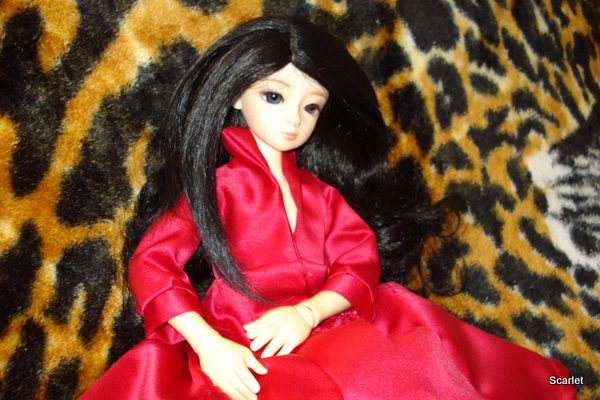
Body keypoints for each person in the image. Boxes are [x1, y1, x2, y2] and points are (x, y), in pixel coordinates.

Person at [79, 16, 574, 400]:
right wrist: (209, 345)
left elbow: (358, 261)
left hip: (330, 323)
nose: (294, 119)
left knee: (431, 350)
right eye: (274, 96)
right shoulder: (216, 189)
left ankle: (561, 382)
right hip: (244, 341)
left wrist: (308, 312)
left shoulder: (322, 195)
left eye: (311, 106)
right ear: (236, 96)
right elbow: (152, 263)